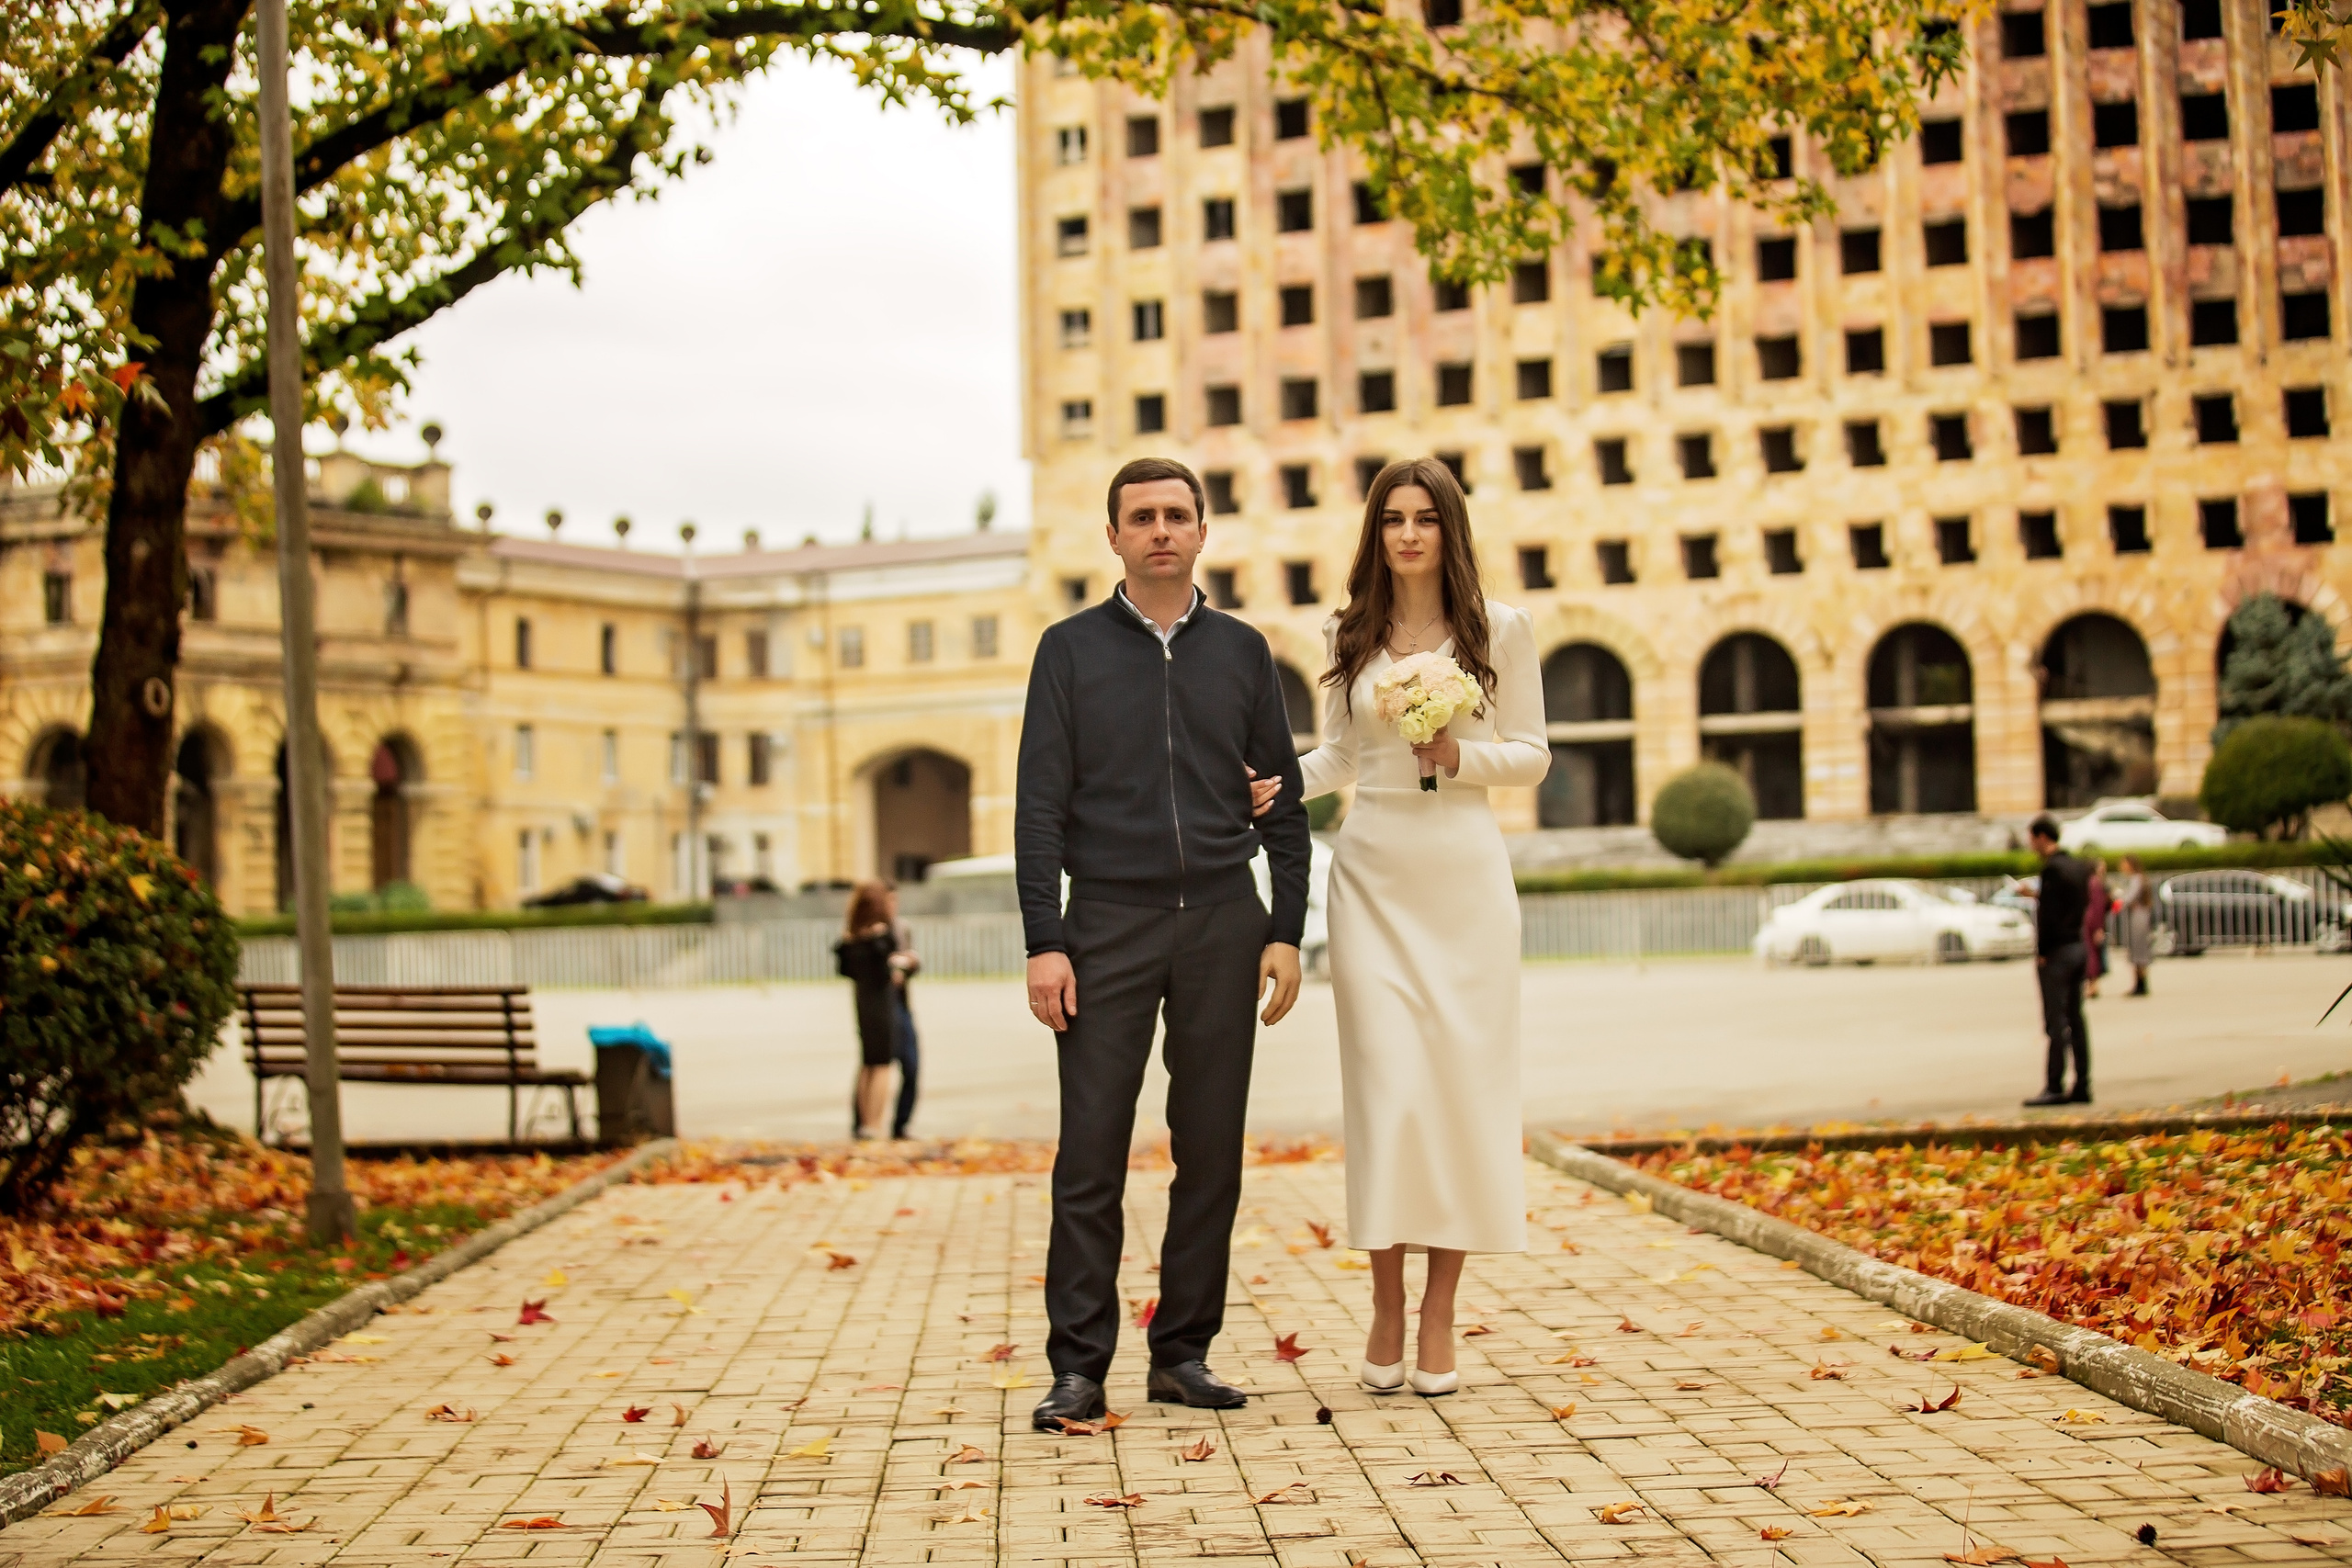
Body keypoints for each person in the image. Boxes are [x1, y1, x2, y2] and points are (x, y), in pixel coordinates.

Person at [1015, 457, 1312, 1432]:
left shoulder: (1242, 652)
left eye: (1176, 515)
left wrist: (1283, 929)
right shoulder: (1067, 650)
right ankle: (1078, 1367)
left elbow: (1285, 804)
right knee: (1091, 1154)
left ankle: (1181, 1353)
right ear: (1111, 536)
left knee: (1211, 1152)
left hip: (1225, 922)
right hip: (1104, 924)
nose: (1159, 531)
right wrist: (1045, 941)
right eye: (1140, 517)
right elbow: (1038, 811)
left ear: (1202, 532)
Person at [1294, 457, 1550, 1397]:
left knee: (1458, 1098)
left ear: (1449, 528)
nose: (1408, 533)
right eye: (1392, 518)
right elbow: (1337, 754)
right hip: (1373, 876)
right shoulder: (1346, 631)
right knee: (1389, 1094)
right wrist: (1274, 784)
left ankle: (1440, 1309)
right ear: (1376, 531)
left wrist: (1460, 754)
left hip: (1464, 882)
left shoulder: (1501, 630)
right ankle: (1385, 1302)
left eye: (1424, 518)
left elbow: (1532, 754)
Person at [833, 880, 912, 1140]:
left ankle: (864, 1122)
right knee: (882, 1065)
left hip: (862, 1000)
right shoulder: (880, 936)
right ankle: (874, 1123)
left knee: (868, 1063)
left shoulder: (851, 937)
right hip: (881, 1001)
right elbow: (889, 968)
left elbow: (844, 969)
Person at [2024, 816, 2094, 1107]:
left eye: (2032, 839)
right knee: (2076, 1019)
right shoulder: (2078, 867)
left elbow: (2048, 916)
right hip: (2078, 945)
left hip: (2058, 953)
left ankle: (2054, 1084)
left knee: (2056, 1022)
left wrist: (2042, 951)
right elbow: (2067, 905)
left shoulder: (2051, 870)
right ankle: (2083, 1083)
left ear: (2042, 838)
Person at [2115, 854, 2154, 996]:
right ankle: (2139, 982)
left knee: (2139, 950)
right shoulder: (2138, 879)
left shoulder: (2136, 879)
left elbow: (2129, 897)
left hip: (2139, 917)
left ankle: (2141, 983)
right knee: (2139, 950)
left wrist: (2117, 902)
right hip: (2139, 916)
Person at [2082, 857, 2109, 998]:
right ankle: (2092, 984)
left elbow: (2098, 906)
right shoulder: (2095, 883)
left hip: (2091, 922)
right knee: (2092, 953)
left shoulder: (2093, 883)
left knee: (2092, 954)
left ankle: (2093, 985)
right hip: (2092, 922)